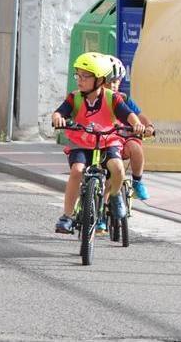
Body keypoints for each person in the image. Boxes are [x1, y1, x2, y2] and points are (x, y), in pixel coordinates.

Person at [50, 52, 145, 234]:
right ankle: (67, 216)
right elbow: (59, 112)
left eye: (85, 76)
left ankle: (116, 195)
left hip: (107, 142)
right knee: (77, 170)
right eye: (78, 75)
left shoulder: (112, 98)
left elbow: (128, 114)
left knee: (117, 168)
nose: (80, 80)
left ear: (100, 80)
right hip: (81, 143)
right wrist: (58, 119)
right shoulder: (75, 97)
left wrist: (138, 125)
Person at [107, 55, 154, 201]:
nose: (112, 86)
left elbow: (140, 115)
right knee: (106, 180)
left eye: (115, 82)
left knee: (136, 148)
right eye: (108, 82)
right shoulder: (97, 99)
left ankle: (137, 181)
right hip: (104, 140)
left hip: (124, 138)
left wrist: (148, 126)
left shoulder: (124, 99)